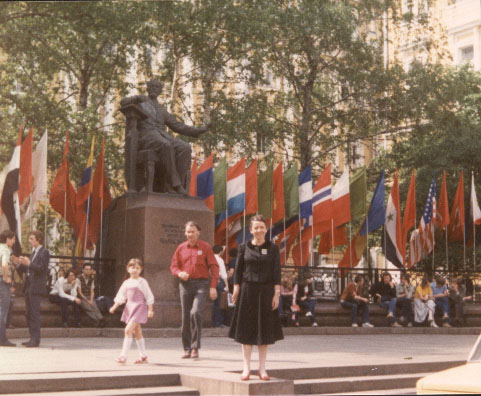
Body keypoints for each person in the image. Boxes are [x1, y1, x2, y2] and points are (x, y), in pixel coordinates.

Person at [120, 78, 209, 194]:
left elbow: (178, 126)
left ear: (160, 91)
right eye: (151, 87)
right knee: (165, 145)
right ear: (147, 88)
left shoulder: (162, 110)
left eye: (157, 88)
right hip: (146, 137)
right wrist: (136, 98)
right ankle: (176, 184)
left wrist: (198, 130)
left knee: (185, 147)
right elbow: (123, 102)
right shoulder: (141, 102)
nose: (154, 89)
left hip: (162, 136)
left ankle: (172, 186)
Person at [229, 215, 284, 381]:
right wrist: (236, 288)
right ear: (251, 230)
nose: (259, 230)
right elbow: (238, 270)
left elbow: (276, 271)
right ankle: (246, 368)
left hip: (266, 292)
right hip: (248, 291)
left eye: (262, 227)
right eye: (256, 227)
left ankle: (262, 368)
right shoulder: (243, 247)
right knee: (247, 330)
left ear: (266, 229)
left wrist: (276, 293)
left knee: (264, 330)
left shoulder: (272, 248)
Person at [170, 221, 219, 359]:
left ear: (198, 232)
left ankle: (195, 346)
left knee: (195, 312)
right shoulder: (180, 248)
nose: (190, 234)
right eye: (188, 232)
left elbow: (214, 267)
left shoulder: (205, 247)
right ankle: (187, 348)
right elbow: (174, 266)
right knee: (185, 316)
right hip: (185, 285)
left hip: (201, 284)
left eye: (193, 231)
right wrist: (179, 273)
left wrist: (213, 286)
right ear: (185, 233)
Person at [110, 258, 154, 364]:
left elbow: (149, 296)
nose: (135, 270)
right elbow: (121, 296)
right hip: (130, 308)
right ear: (128, 269)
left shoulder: (142, 282)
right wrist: (114, 306)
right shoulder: (126, 282)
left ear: (141, 270)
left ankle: (123, 356)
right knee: (137, 331)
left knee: (128, 330)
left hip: (139, 308)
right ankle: (143, 356)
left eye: (137, 268)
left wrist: (150, 310)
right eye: (132, 267)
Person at [15, 230, 50, 347]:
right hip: (29, 286)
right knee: (28, 313)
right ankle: (32, 338)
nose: (29, 241)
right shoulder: (33, 253)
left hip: (36, 287)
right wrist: (19, 264)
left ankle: (36, 339)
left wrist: (29, 263)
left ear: (38, 239)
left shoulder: (44, 252)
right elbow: (29, 270)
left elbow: (41, 268)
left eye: (31, 239)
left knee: (34, 313)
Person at [0, 230, 16, 347]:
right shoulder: (5, 249)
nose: (14, 241)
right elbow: (4, 264)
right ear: (8, 239)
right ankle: (2, 338)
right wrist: (6, 278)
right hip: (2, 281)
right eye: (13, 239)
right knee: (3, 310)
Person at [77, 263, 105, 327]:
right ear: (83, 270)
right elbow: (79, 292)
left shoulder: (91, 279)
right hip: (81, 298)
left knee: (95, 307)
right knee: (88, 308)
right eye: (86, 269)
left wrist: (91, 300)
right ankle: (97, 321)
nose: (88, 271)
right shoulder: (78, 278)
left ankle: (101, 319)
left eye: (89, 269)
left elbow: (92, 291)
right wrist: (88, 301)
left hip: (89, 297)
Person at [211, 245, 229, 328]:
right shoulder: (220, 260)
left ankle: (212, 321)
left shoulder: (210, 258)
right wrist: (227, 285)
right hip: (219, 280)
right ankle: (217, 322)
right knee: (218, 303)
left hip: (210, 280)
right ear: (221, 252)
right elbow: (223, 273)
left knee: (213, 303)